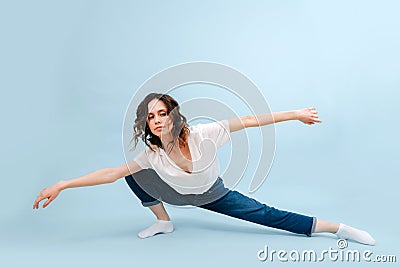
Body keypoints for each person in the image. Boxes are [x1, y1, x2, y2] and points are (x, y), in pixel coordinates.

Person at [33, 93, 376, 245]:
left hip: (215, 196)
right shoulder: (150, 155)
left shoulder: (203, 134)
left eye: (161, 113)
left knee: (269, 215)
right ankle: (163, 223)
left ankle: (337, 228)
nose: (155, 121)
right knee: (132, 175)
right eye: (150, 116)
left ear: (174, 115)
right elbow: (109, 172)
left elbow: (249, 120)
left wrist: (295, 114)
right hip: (177, 196)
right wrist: (63, 183)